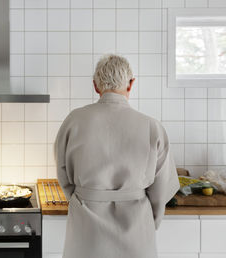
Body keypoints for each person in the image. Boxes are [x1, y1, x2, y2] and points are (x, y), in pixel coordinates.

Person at [54, 54, 179, 258]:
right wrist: (150, 221)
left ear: (95, 86)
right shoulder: (151, 126)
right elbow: (161, 188)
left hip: (86, 227)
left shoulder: (74, 120)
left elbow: (63, 172)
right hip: (136, 228)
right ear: (131, 84)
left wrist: (84, 198)